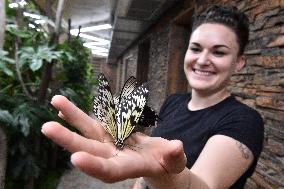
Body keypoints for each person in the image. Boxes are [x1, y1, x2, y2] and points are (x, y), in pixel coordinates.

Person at [41, 5, 264, 189]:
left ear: (239, 62)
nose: (203, 59)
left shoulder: (244, 121)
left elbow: (204, 185)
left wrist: (161, 172)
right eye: (196, 48)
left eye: (219, 52)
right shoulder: (174, 102)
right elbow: (146, 163)